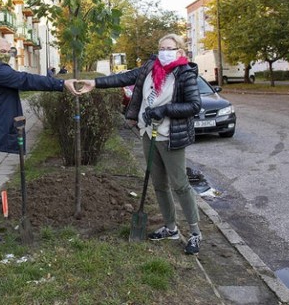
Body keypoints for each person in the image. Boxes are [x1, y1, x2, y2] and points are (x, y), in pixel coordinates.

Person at [77, 34, 204, 255]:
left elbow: (193, 105)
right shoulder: (150, 68)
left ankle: (195, 232)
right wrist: (95, 83)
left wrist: (163, 110)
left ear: (180, 52)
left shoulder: (184, 74)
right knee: (159, 185)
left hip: (170, 137)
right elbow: (124, 78)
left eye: (170, 48)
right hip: (148, 133)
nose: (165, 51)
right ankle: (171, 227)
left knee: (180, 184)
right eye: (162, 47)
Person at [0, 38, 80, 246]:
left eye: (10, 51)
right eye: (5, 51)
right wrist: (62, 84)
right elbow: (26, 80)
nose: (8, 54)